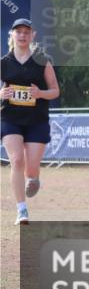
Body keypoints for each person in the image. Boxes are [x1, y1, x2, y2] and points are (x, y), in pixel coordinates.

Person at [1, 19, 60, 225]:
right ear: (12, 35)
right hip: (11, 119)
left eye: (27, 32)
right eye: (19, 32)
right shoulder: (4, 62)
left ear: (32, 35)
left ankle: (33, 177)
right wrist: (1, 93)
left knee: (31, 169)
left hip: (36, 120)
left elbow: (55, 91)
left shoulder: (42, 61)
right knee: (16, 160)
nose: (23, 35)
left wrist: (39, 93)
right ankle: (21, 210)